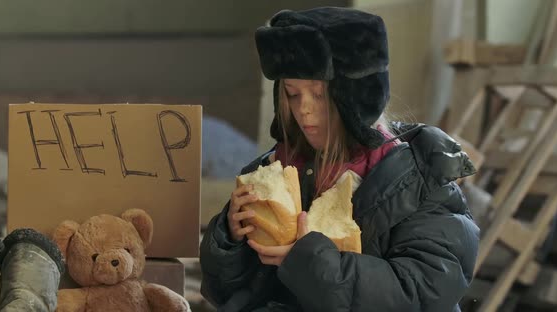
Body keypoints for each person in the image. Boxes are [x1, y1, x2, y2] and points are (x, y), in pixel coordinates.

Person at [200, 7, 480, 312]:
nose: (303, 109)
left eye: (319, 95)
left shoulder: (420, 178)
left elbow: (424, 291)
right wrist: (229, 239)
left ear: (356, 96)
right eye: (293, 94)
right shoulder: (274, 173)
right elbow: (232, 294)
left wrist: (312, 262)